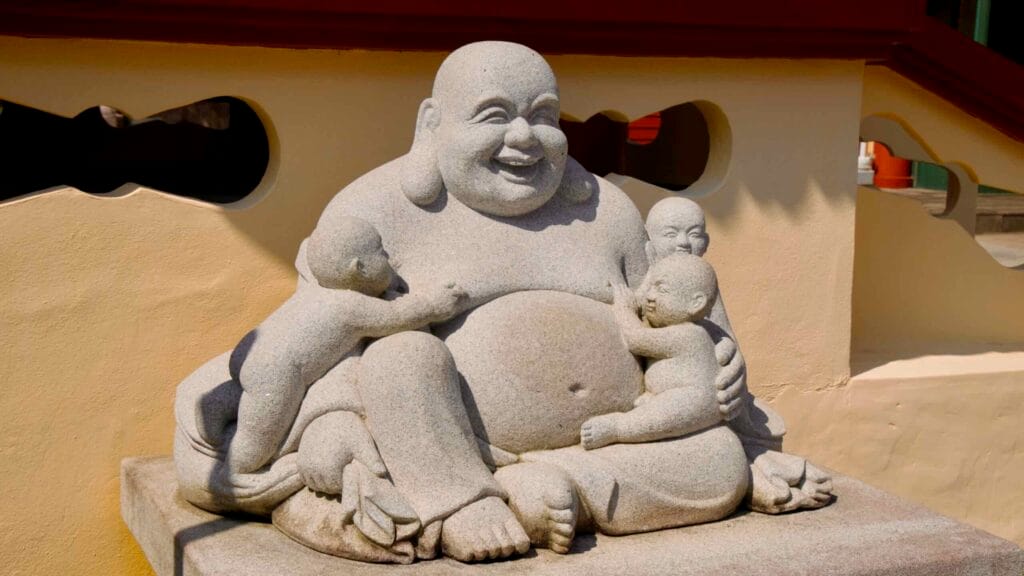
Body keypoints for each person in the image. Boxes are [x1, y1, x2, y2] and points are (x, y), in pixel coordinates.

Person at [174, 40, 833, 564]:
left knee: (720, 465)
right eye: (495, 115)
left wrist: (721, 365)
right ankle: (460, 499)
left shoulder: (607, 213)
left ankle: (555, 487)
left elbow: (677, 306)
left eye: (544, 117)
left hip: (614, 439)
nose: (524, 138)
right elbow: (315, 345)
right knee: (399, 356)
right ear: (433, 124)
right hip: (448, 445)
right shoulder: (372, 214)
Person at [224, 215, 466, 476]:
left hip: (248, 351)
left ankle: (219, 423)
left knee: (239, 402)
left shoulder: (315, 291)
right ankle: (232, 472)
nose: (388, 258)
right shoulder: (350, 306)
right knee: (255, 444)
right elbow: (395, 317)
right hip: (274, 375)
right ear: (359, 269)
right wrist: (433, 305)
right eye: (381, 253)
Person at [581, 255, 726, 450]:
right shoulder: (682, 330)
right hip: (673, 395)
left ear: (696, 303)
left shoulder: (689, 335)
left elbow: (635, 340)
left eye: (662, 290)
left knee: (656, 419)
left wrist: (624, 309)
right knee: (659, 412)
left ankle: (615, 428)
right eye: (650, 288)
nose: (650, 296)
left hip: (692, 400)